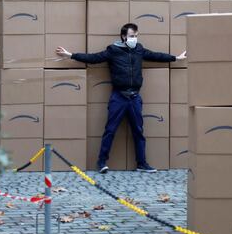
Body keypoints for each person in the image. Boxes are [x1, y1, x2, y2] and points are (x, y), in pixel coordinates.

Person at [56, 23, 186, 174]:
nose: (134, 39)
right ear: (124, 36)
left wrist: (176, 58)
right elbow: (93, 58)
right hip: (119, 96)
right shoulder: (113, 50)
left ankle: (142, 164)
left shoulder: (139, 49)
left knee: (138, 132)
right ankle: (101, 162)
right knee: (110, 130)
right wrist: (71, 55)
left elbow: (156, 55)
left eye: (136, 36)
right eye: (132, 36)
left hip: (135, 97)